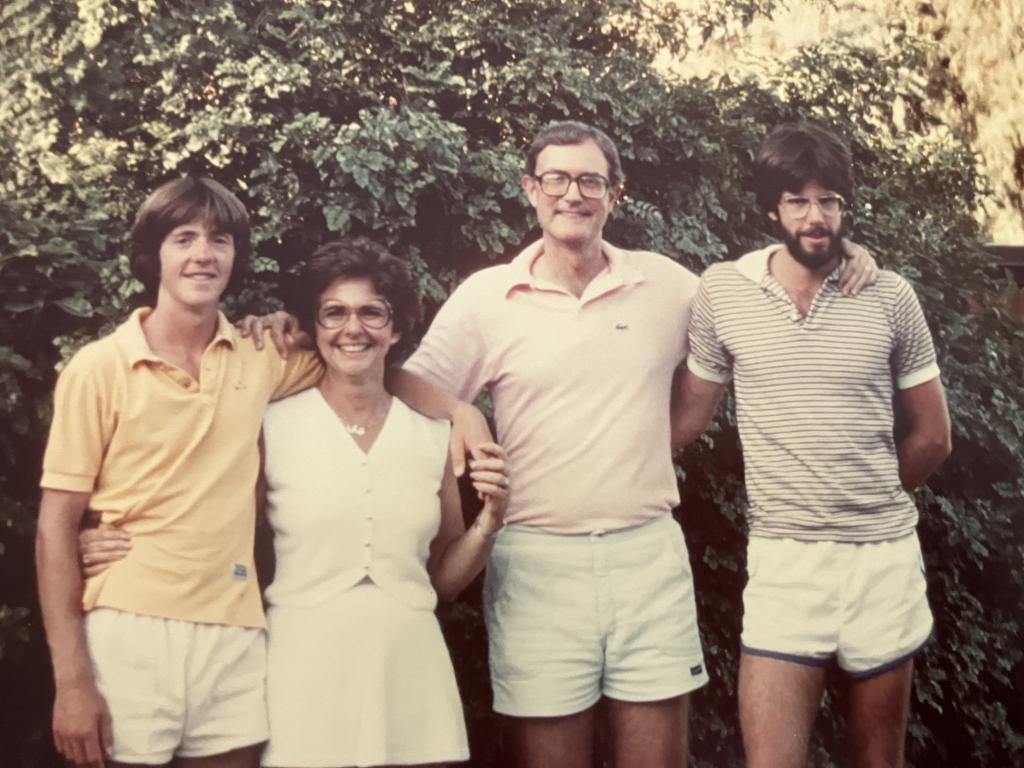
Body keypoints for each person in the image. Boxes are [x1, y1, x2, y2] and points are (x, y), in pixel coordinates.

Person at [249, 120, 880, 766]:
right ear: (530, 188)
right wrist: (463, 412)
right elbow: (398, 378)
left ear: (616, 194)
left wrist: (838, 252)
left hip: (646, 555)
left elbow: (754, 299)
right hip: (536, 560)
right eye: (555, 178)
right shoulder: (487, 296)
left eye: (590, 180)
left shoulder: (667, 285)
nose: (571, 194)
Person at [673, 122, 952, 768]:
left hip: (880, 560)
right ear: (773, 208)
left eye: (829, 200)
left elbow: (935, 436)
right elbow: (686, 419)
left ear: (845, 209)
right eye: (798, 200)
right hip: (784, 561)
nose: (815, 216)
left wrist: (865, 492)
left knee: (878, 762)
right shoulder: (725, 292)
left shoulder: (890, 296)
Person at [36, 177, 322, 768]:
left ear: (236, 255)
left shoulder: (262, 354)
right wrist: (71, 681)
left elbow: (361, 360)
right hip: (129, 630)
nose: (202, 254)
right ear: (153, 256)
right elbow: (54, 528)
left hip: (235, 630)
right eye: (183, 238)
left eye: (219, 239)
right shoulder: (99, 368)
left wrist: (459, 418)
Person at [258, 237, 508, 767]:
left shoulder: (430, 435)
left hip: (410, 672)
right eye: (335, 313)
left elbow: (442, 578)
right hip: (301, 673)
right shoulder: (270, 425)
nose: (354, 328)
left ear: (395, 329)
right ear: (314, 327)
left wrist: (490, 521)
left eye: (372, 312)